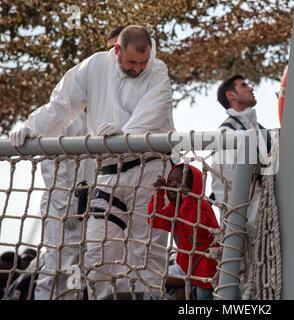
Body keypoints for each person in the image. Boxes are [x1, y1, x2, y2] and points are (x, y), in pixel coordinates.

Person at [10, 25, 175, 300]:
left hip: (149, 171)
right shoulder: (95, 65)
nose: (137, 69)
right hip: (108, 176)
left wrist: (125, 136)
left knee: (146, 255)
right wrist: (32, 127)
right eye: (132, 62)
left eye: (142, 63)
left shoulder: (157, 71)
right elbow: (62, 104)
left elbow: (155, 111)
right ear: (117, 51)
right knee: (98, 253)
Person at [33, 110, 95, 300]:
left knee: (76, 268)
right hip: (62, 205)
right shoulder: (63, 116)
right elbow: (51, 165)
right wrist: (64, 205)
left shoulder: (100, 114)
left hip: (88, 205)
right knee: (55, 266)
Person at [211, 74, 271, 242]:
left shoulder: (261, 131)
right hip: (249, 225)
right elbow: (223, 183)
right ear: (231, 95)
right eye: (244, 86)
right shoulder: (228, 133)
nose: (251, 88)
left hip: (268, 215)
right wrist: (239, 225)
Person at [148, 164, 220, 300]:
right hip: (191, 270)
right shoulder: (173, 209)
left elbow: (200, 227)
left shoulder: (201, 205)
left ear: (191, 186)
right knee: (163, 283)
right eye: (170, 181)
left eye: (179, 181)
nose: (173, 184)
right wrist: (159, 192)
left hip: (212, 272)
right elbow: (155, 219)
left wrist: (189, 200)